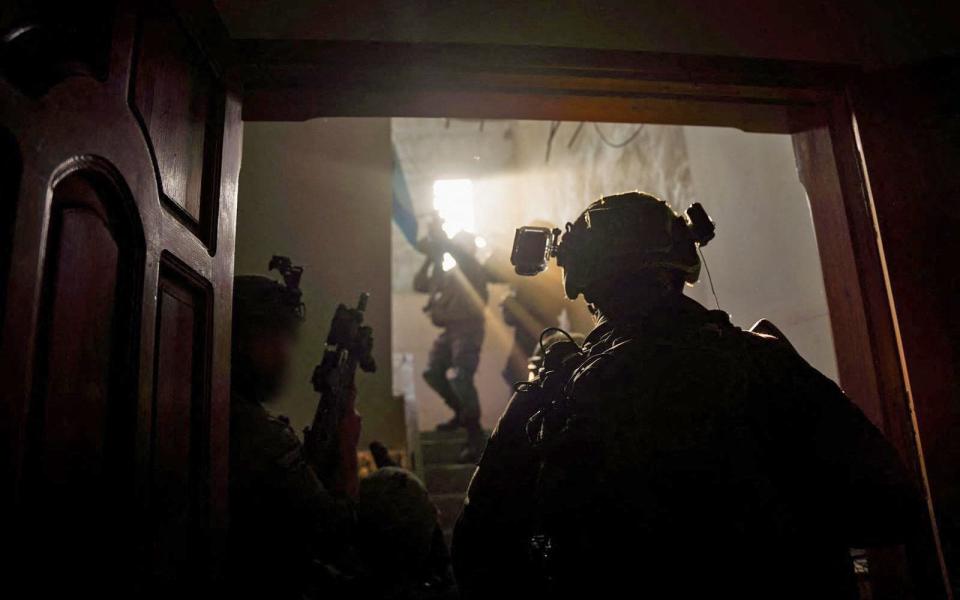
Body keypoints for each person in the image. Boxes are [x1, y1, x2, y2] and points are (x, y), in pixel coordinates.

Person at [452, 192, 923, 599]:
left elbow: (479, 551)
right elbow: (888, 506)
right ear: (680, 263)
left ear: (584, 283)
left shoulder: (556, 395)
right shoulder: (764, 364)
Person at [226, 266, 357, 599]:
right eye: (276, 337)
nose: (284, 353)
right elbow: (336, 534)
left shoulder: (227, 410)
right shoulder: (261, 437)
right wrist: (346, 450)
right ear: (244, 340)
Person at [414, 220, 490, 463]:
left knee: (461, 377)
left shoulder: (473, 269)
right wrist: (432, 256)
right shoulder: (449, 274)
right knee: (432, 372)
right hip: (450, 331)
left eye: (460, 245)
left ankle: (475, 435)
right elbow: (419, 284)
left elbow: (460, 255)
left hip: (468, 329)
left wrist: (443, 242)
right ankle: (460, 413)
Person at [484, 223, 593, 386]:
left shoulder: (549, 273)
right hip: (539, 336)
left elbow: (575, 312)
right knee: (520, 378)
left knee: (530, 382)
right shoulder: (530, 268)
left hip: (546, 336)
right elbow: (490, 272)